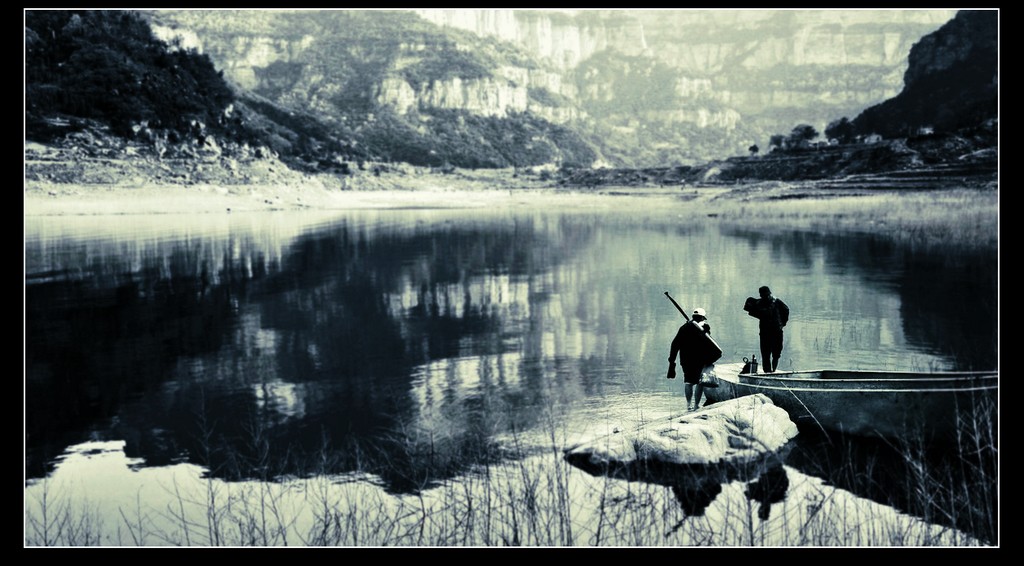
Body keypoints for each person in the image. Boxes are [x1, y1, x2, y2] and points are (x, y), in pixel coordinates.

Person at [667, 308, 713, 411]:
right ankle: (696, 405)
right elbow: (710, 343)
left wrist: (672, 360)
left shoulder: (684, 328)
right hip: (700, 359)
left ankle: (688, 405)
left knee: (688, 382)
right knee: (700, 382)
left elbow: (675, 345)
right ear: (702, 318)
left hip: (686, 360)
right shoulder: (705, 328)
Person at [743, 286, 790, 373]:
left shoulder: (776, 301)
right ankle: (768, 372)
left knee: (775, 353)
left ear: (769, 294)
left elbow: (786, 310)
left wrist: (783, 323)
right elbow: (750, 305)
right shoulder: (760, 303)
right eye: (764, 296)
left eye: (766, 295)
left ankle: (774, 370)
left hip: (776, 332)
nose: (765, 297)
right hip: (766, 333)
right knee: (766, 354)